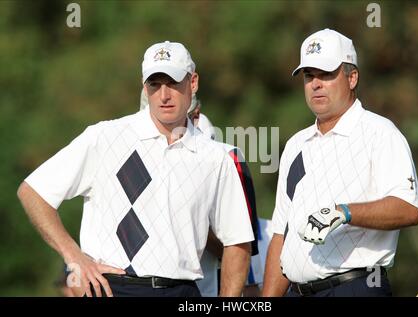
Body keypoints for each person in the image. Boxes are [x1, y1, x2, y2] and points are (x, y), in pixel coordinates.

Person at [17, 41, 254, 297]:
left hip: (182, 292)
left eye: (173, 82)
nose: (164, 95)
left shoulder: (217, 157)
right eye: (155, 84)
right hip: (111, 288)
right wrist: (74, 256)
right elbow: (33, 192)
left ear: (193, 82)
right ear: (144, 87)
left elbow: (237, 242)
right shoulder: (104, 137)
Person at [262, 28, 418, 297]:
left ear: (352, 78)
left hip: (355, 286)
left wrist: (345, 212)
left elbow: (408, 208)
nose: (315, 84)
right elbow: (281, 234)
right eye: (309, 76)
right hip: (297, 290)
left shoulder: (380, 132)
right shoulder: (295, 145)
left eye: (326, 74)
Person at [140, 91, 262, 296]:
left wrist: (189, 222)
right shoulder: (131, 150)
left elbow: (241, 246)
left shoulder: (226, 156)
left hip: (203, 291)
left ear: (195, 113)